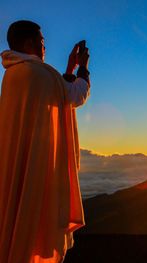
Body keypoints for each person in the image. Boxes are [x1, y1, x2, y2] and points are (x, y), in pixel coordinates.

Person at [0, 20, 90, 263]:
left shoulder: (13, 74)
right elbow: (75, 95)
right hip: (38, 168)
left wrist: (69, 69)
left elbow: (56, 92)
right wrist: (83, 68)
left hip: (17, 164)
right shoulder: (37, 73)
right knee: (36, 223)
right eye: (41, 41)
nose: (44, 46)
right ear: (29, 43)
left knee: (18, 218)